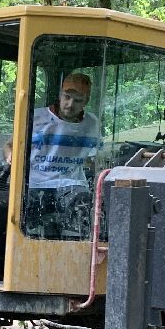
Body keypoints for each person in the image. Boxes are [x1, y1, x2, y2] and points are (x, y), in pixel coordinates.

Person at [26, 72, 100, 238]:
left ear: (86, 101)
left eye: (78, 100)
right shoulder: (37, 118)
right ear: (59, 95)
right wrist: (10, 159)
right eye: (67, 97)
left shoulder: (92, 124)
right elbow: (10, 147)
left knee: (88, 215)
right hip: (36, 186)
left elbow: (94, 158)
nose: (70, 104)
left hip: (73, 187)